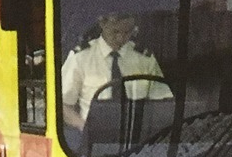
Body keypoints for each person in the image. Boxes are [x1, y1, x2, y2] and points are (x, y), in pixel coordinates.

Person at [60, 11, 173, 140]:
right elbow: (63, 105)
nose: (120, 38)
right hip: (94, 139)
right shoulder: (80, 58)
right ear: (102, 23)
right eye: (115, 32)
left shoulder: (145, 59)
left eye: (127, 32)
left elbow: (163, 103)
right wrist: (83, 126)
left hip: (138, 140)